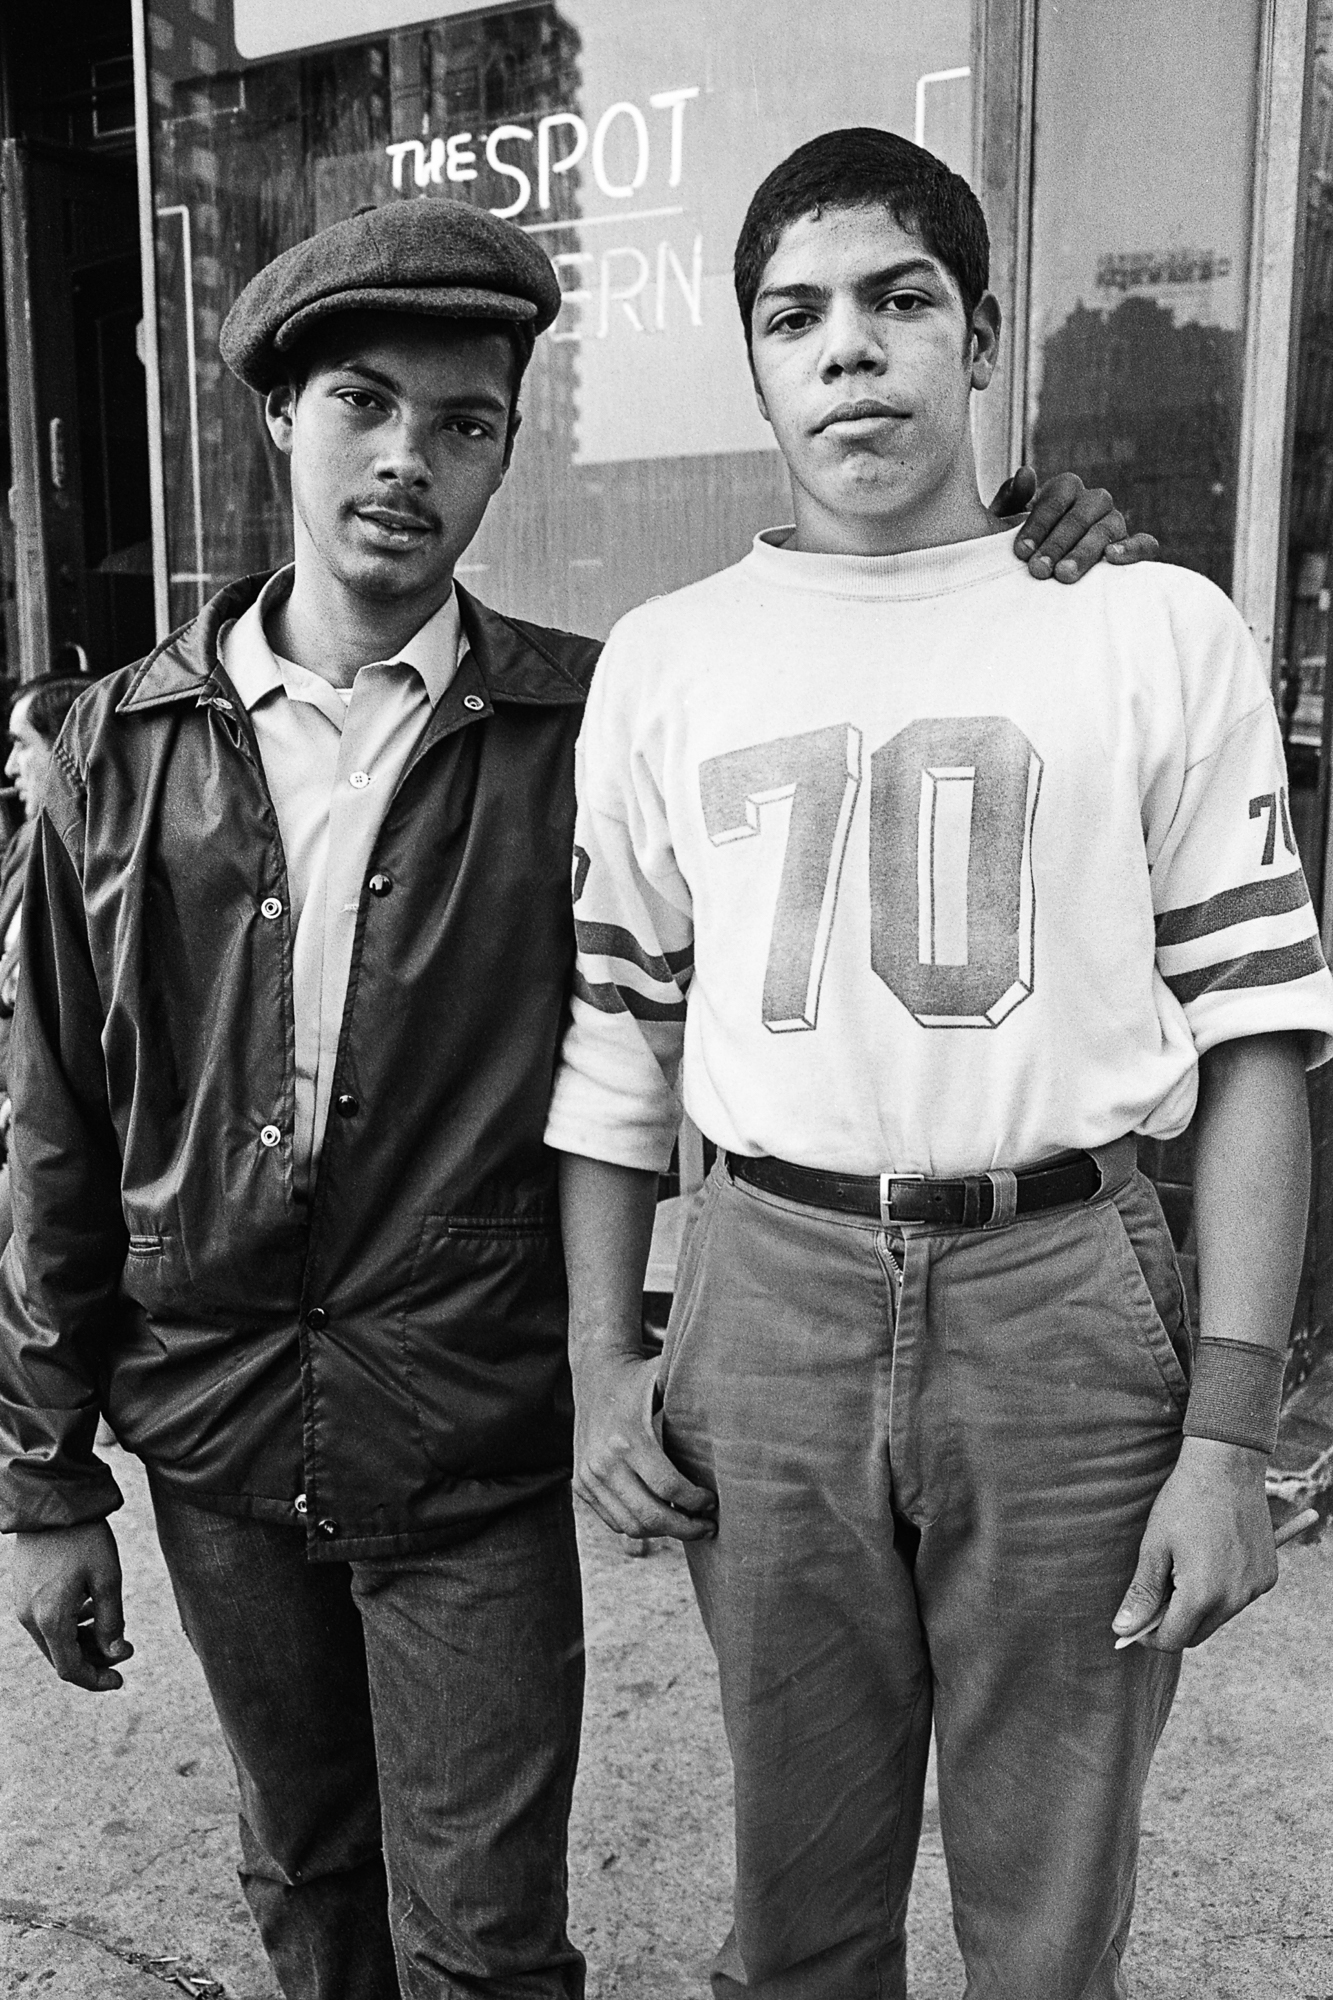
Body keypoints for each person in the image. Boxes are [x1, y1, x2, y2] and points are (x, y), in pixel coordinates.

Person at [0, 194, 1144, 2000]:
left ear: (502, 460)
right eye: (364, 405)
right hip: (211, 1427)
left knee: (481, 1941)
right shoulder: (107, 750)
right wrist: (43, 1469)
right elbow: (53, 1120)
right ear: (276, 420)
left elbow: (808, 796)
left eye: (463, 428)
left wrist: (1016, 550)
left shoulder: (584, 725)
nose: (406, 461)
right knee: (303, 1872)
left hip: (462, 1426)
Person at [547, 128, 1333, 2000]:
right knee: (794, 1890)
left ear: (979, 334)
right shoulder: (666, 661)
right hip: (769, 1287)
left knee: (1044, 1904)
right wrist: (600, 1360)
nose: (848, 350)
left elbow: (1255, 1039)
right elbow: (614, 1039)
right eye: (793, 315)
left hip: (1065, 1290)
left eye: (899, 300)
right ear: (748, 362)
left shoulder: (1145, 625)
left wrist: (1226, 1434)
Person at [0, 676, 89, 1247]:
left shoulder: (94, 863)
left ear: (66, 751)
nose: (10, 767)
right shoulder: (25, 846)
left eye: (22, 743)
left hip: (45, 1132)